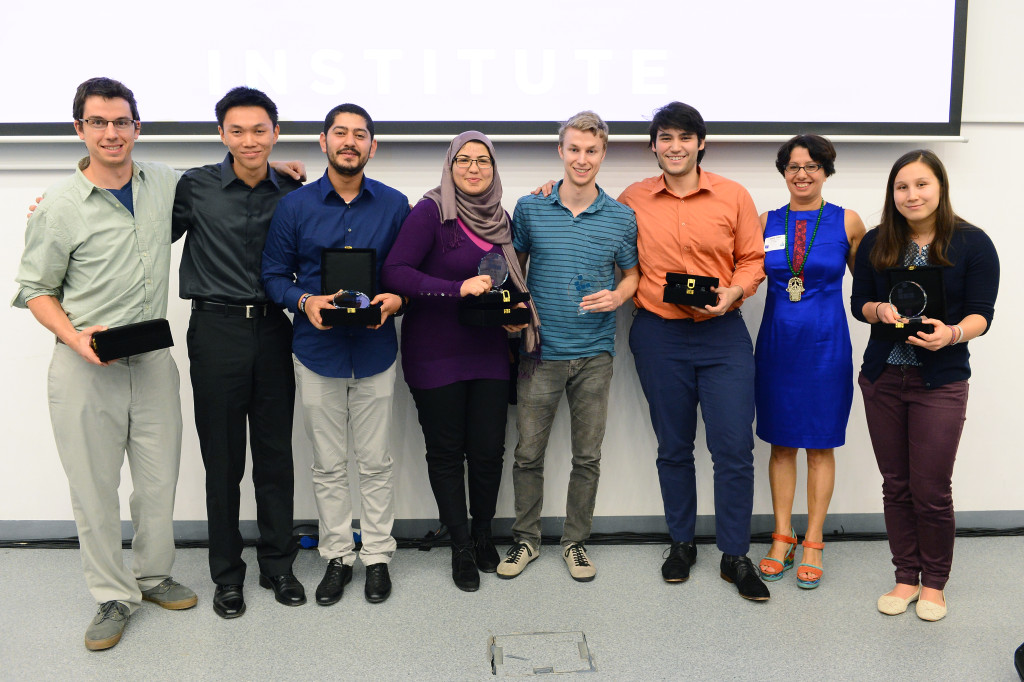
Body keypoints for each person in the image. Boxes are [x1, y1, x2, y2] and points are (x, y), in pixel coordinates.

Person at [13, 77, 196, 650]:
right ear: (80, 129)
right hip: (86, 367)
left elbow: (225, 182)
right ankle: (112, 596)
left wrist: (282, 168)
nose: (111, 132)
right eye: (98, 122)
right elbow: (35, 289)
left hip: (152, 362)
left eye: (121, 121)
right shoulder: (59, 206)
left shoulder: (165, 183)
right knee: (94, 489)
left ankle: (153, 576)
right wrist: (73, 337)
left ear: (137, 127)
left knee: (159, 482)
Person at [618, 101, 769, 601]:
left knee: (734, 448)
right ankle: (681, 543)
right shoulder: (632, 198)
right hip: (659, 336)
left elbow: (752, 259)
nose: (675, 146)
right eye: (665, 137)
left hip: (723, 334)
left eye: (685, 137)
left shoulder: (733, 195)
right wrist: (549, 191)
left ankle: (735, 554)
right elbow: (593, 221)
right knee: (674, 447)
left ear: (701, 143)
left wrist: (735, 291)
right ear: (653, 146)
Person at [262, 103, 410, 606]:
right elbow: (274, 275)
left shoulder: (394, 205)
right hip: (316, 351)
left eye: (360, 134)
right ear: (323, 141)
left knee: (375, 462)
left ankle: (378, 557)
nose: (350, 141)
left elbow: (406, 274)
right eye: (340, 133)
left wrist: (398, 299)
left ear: (373, 146)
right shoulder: (295, 206)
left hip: (374, 352)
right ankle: (337, 557)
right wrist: (305, 300)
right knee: (327, 465)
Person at [172, 86, 305, 618]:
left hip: (273, 329)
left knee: (275, 456)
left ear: (275, 133)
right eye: (237, 130)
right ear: (221, 134)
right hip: (215, 329)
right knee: (223, 460)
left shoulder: (293, 190)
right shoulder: (195, 186)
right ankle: (227, 576)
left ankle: (278, 565)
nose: (249, 140)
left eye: (259, 130)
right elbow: (137, 229)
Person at [381, 132, 535, 592]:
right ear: (450, 167)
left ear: (494, 169)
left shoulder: (500, 219)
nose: (473, 168)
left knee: (488, 451)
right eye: (463, 160)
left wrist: (514, 315)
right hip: (435, 353)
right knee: (447, 453)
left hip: (488, 352)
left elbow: (506, 284)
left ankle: (483, 533)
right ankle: (461, 545)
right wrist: (456, 288)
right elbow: (395, 272)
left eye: (482, 160)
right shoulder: (431, 212)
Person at [851, 149, 998, 622]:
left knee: (931, 489)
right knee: (896, 485)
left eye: (921, 184)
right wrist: (879, 310)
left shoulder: (973, 243)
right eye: (901, 187)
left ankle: (934, 583)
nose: (911, 195)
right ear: (892, 193)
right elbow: (860, 302)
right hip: (883, 379)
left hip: (940, 382)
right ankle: (905, 576)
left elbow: (982, 314)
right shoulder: (877, 241)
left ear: (940, 187)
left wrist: (951, 334)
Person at [498, 111, 639, 583]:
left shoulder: (621, 217)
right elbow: (513, 272)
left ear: (603, 154)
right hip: (539, 354)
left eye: (591, 150)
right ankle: (526, 539)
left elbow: (633, 275)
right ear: (561, 151)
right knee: (527, 455)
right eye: (574, 149)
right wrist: (512, 316)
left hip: (595, 355)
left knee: (587, 457)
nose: (582, 158)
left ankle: (575, 542)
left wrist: (618, 296)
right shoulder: (530, 207)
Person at [754, 135, 865, 588]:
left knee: (820, 446)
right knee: (781, 445)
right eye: (793, 166)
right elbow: (741, 273)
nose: (802, 174)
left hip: (826, 346)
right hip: (778, 346)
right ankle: (783, 536)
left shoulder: (848, 221)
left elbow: (871, 285)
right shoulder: (765, 221)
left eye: (812, 165)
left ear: (826, 171)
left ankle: (814, 539)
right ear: (784, 172)